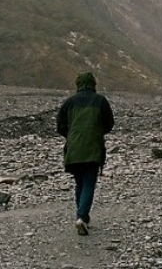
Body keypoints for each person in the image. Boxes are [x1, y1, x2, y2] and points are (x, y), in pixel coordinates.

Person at [56, 71, 115, 236]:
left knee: (80, 183)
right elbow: (109, 124)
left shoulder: (69, 102)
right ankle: (82, 217)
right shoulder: (100, 101)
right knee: (89, 182)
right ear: (93, 84)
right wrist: (96, 132)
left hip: (73, 148)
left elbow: (60, 125)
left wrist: (72, 135)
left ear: (78, 84)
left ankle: (82, 216)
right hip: (93, 147)